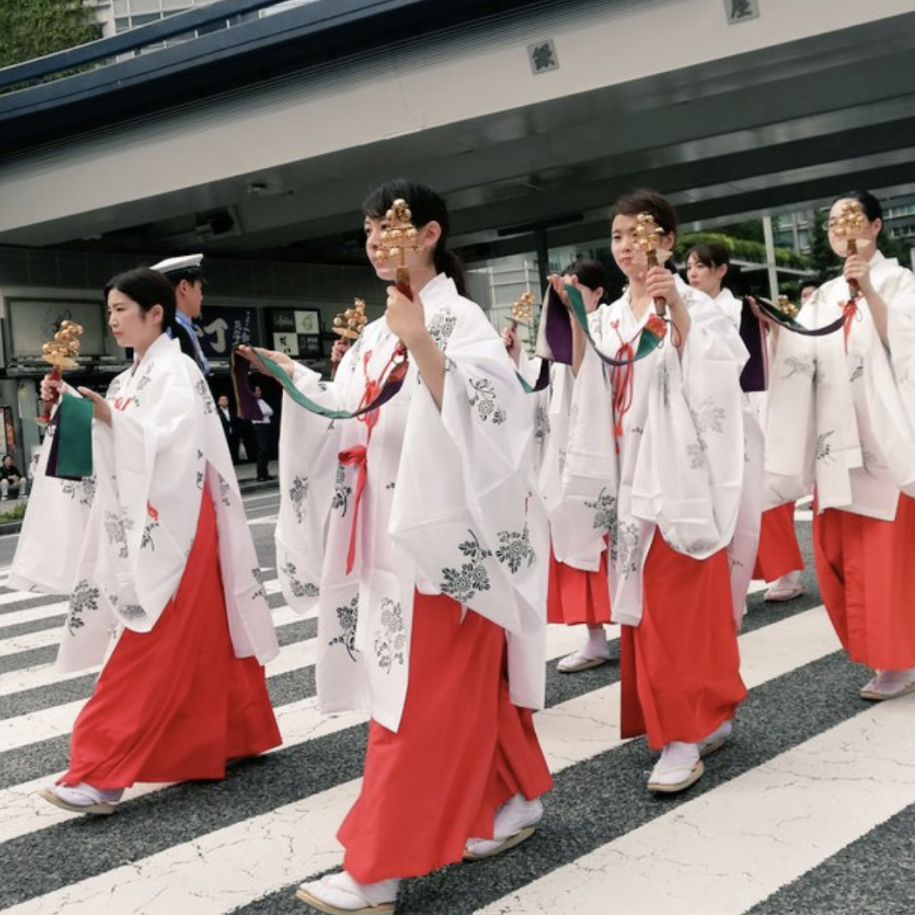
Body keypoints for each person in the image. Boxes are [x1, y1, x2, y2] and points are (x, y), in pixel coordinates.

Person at [238, 178, 552, 914]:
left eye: (391, 226)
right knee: (445, 686)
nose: (378, 238)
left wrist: (422, 344)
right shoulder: (380, 330)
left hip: (437, 538)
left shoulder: (456, 317)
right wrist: (298, 381)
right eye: (370, 227)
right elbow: (351, 413)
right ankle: (514, 793)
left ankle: (377, 866)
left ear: (430, 233)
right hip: (382, 534)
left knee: (413, 702)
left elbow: (497, 417)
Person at [10, 267, 281, 815]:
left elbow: (170, 447)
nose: (111, 321)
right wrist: (69, 405)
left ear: (155, 313)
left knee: (149, 635)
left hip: (178, 520)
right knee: (196, 628)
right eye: (108, 311)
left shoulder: (177, 371)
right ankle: (237, 731)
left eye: (120, 310)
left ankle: (99, 771)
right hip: (155, 519)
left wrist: (106, 415)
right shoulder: (126, 379)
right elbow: (106, 444)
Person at [562, 191, 748, 793]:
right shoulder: (610, 315)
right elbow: (582, 387)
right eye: (616, 237)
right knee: (652, 609)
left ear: (666, 239)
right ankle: (705, 710)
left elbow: (722, 378)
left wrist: (682, 317)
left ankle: (685, 733)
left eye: (637, 235)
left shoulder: (694, 302)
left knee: (678, 605)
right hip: (623, 470)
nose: (626, 248)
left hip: (673, 473)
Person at [762, 190, 915, 701]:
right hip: (834, 442)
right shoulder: (823, 296)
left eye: (849, 219)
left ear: (874, 225)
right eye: (831, 221)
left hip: (879, 443)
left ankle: (896, 657)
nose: (839, 228)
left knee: (884, 557)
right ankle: (877, 651)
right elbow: (799, 360)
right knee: (836, 556)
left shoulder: (900, 282)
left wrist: (870, 292)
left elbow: (905, 347)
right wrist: (776, 333)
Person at [504, 260, 614, 673]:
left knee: (610, 546)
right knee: (574, 541)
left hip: (603, 451)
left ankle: (637, 631)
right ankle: (595, 635)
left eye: (577, 290)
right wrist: (516, 357)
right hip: (564, 453)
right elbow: (539, 385)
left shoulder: (608, 325)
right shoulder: (558, 333)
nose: (569, 300)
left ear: (598, 293)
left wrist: (576, 322)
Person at [685, 242, 805, 605]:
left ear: (721, 269)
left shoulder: (739, 309)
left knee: (759, 489)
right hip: (701, 408)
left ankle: (787, 569)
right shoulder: (682, 307)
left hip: (743, 404)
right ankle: (726, 574)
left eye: (700, 266)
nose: (692, 272)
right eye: (688, 266)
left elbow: (771, 353)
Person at [150, 253, 210, 374]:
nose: (201, 297)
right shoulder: (175, 329)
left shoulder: (158, 326)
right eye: (199, 288)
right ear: (184, 287)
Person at [251, 384, 275, 481]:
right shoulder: (250, 402)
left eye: (259, 390)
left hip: (266, 425)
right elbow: (259, 413)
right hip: (259, 426)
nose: (259, 392)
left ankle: (265, 473)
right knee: (262, 449)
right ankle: (260, 474)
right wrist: (264, 413)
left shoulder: (261, 401)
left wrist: (264, 413)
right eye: (257, 390)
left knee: (267, 450)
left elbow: (271, 411)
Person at [216, 393, 240, 463]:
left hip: (233, 432)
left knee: (234, 447)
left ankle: (235, 460)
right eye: (222, 400)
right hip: (223, 433)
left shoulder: (232, 411)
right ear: (219, 402)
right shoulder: (216, 412)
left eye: (226, 399)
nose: (224, 401)